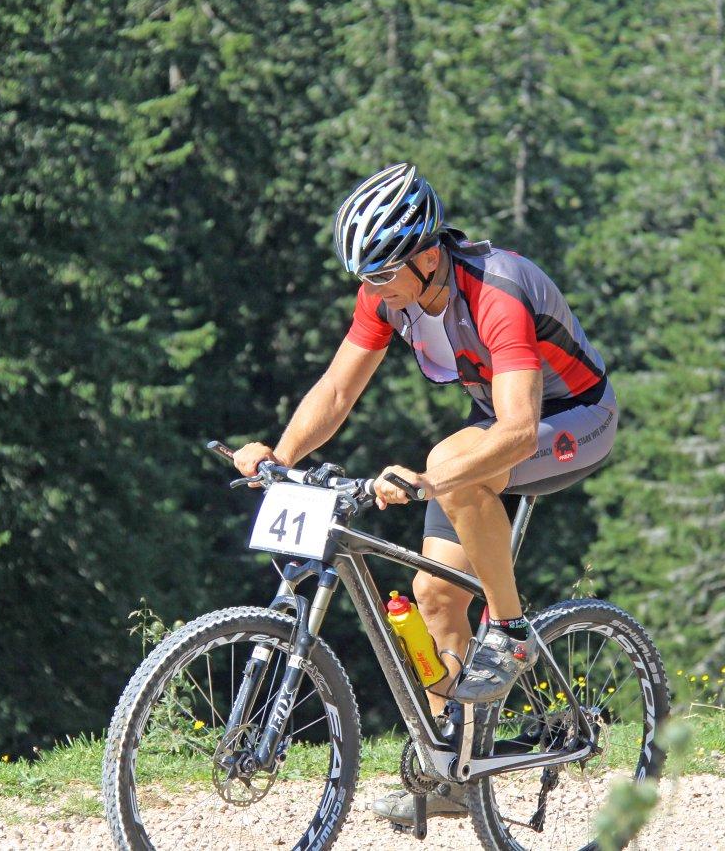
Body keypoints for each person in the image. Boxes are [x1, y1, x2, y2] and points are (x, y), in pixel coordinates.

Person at [231, 162, 618, 824]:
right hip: (497, 422)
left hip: (573, 418)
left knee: (448, 461)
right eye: (364, 277)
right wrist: (280, 455)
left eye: (382, 273)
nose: (372, 288)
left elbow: (518, 429)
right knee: (435, 596)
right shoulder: (385, 294)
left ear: (428, 255)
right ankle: (454, 772)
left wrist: (433, 481)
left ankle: (511, 630)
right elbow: (338, 389)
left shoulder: (496, 291)